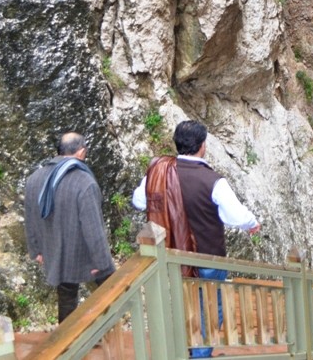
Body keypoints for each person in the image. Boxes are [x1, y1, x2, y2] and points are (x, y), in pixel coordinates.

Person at [132, 120, 260, 358]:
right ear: (203, 146)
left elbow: (139, 202)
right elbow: (236, 216)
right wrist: (252, 224)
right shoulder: (212, 180)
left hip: (174, 255)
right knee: (210, 307)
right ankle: (199, 355)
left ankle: (188, 350)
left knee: (185, 305)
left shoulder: (160, 171)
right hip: (207, 256)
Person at [24, 132, 115, 323]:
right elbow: (93, 228)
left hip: (54, 250)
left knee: (66, 298)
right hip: (83, 252)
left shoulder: (34, 178)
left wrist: (37, 250)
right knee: (111, 290)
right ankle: (101, 332)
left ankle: (67, 343)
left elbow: (30, 217)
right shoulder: (84, 182)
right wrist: (102, 262)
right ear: (81, 152)